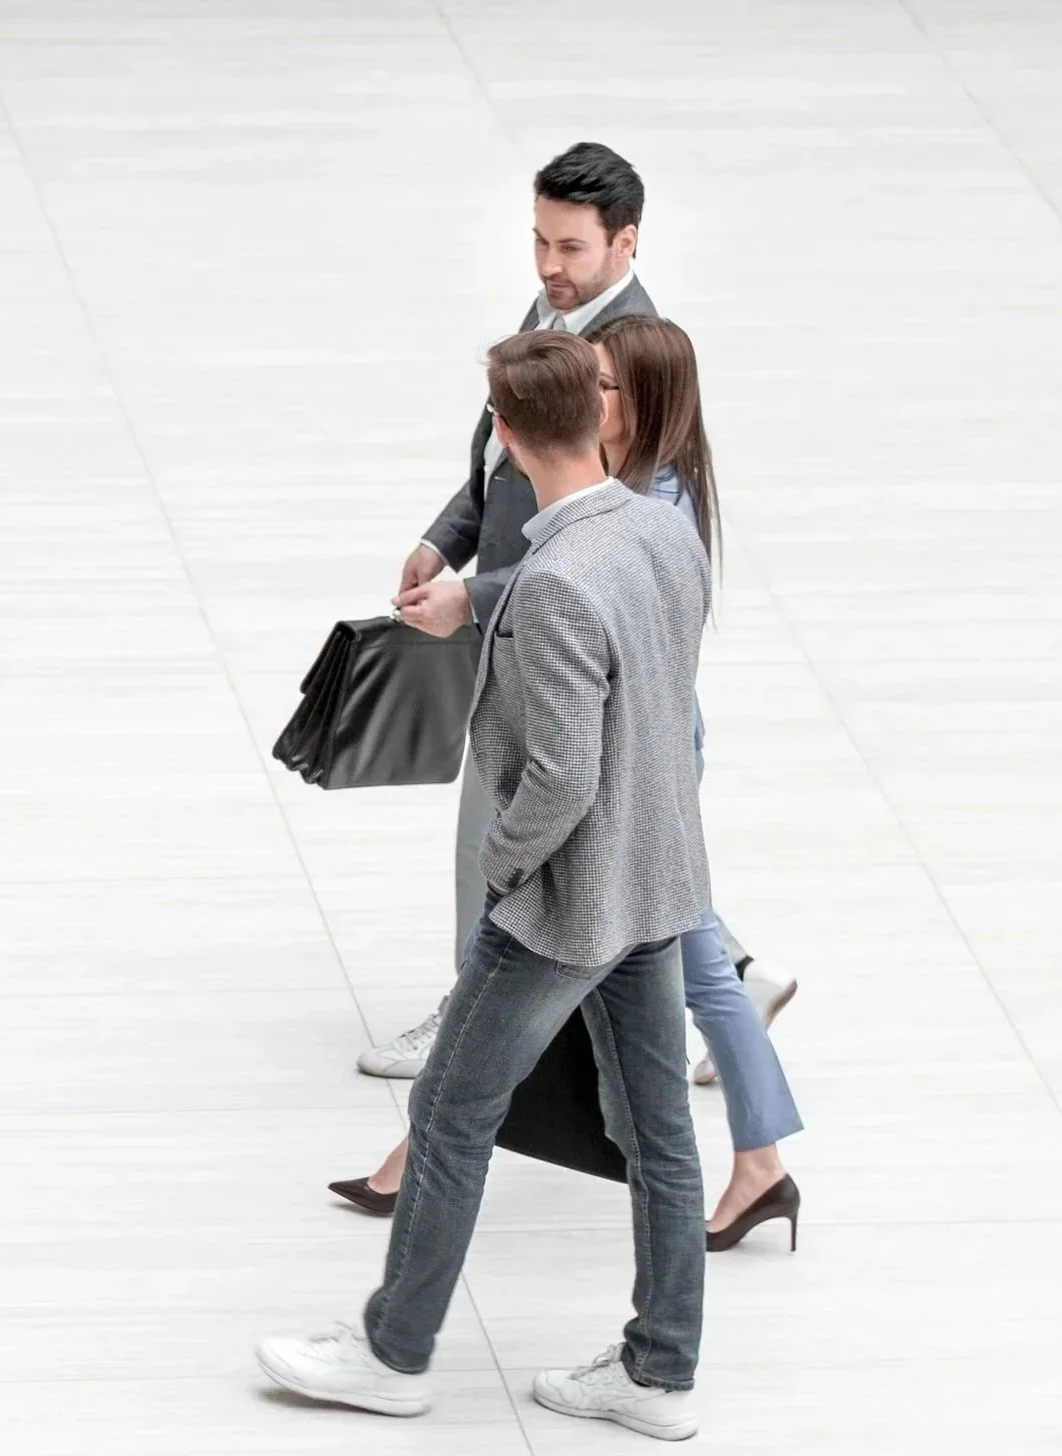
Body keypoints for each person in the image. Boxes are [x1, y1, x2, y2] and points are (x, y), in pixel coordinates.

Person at [257, 331, 713, 1440]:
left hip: (561, 905)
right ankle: (658, 1372)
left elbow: (560, 776)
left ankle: (391, 1351)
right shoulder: (660, 529)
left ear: (505, 438)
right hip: (654, 881)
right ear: (594, 418)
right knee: (655, 1130)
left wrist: (500, 866)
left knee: (449, 1113)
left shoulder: (555, 583)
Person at [330, 316, 804, 1250]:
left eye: (603, 386)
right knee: (690, 965)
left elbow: (574, 611)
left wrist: (506, 857)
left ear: (643, 402)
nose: (585, 398)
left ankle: (755, 1166)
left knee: (671, 967)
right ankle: (759, 1167)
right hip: (635, 758)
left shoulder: (650, 506)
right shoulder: (623, 491)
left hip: (637, 754)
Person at [356, 142, 794, 1084]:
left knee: (515, 835)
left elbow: (606, 552)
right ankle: (735, 977)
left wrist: (470, 597)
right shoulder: (557, 313)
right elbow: (494, 452)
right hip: (522, 612)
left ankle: (469, 1022)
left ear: (625, 242)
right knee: (630, 849)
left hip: (559, 640)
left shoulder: (626, 363)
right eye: (539, 242)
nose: (549, 267)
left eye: (572, 248)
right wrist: (447, 538)